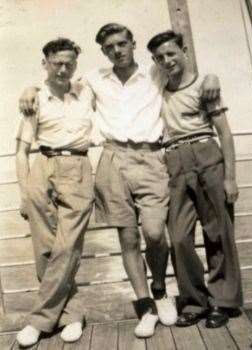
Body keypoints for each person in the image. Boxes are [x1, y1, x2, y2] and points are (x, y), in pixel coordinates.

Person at [18, 24, 217, 338]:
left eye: (122, 44)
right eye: (109, 47)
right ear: (103, 51)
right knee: (127, 239)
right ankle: (145, 307)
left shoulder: (156, 73)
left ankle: (160, 289)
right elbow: (58, 81)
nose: (117, 50)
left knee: (154, 232)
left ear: (133, 43)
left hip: (151, 158)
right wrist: (30, 89)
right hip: (112, 159)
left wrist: (211, 78)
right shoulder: (94, 79)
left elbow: (186, 71)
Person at [147, 30, 243, 328]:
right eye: (160, 57)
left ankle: (222, 302)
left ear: (184, 50)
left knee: (217, 232)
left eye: (171, 53)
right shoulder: (157, 86)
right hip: (174, 160)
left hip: (206, 155)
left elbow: (224, 133)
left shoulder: (205, 85)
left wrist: (230, 178)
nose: (167, 60)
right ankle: (193, 300)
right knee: (178, 236)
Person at [15, 38, 95, 347]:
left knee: (67, 245)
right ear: (45, 63)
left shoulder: (87, 91)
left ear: (76, 64)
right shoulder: (33, 100)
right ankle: (72, 314)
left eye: (69, 63)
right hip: (42, 165)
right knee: (45, 247)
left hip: (77, 166)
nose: (63, 69)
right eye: (57, 63)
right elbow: (21, 151)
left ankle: (39, 320)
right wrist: (25, 192)